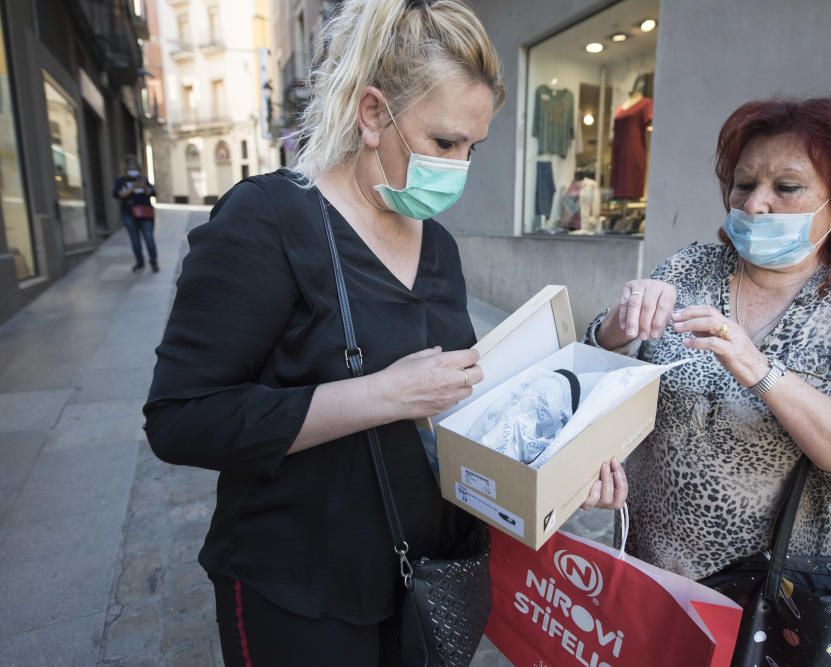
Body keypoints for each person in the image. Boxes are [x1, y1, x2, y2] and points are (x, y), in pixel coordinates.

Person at [143, 1, 625, 665]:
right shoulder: (267, 223)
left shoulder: (441, 250)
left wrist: (558, 460)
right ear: (373, 115)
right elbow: (181, 418)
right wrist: (384, 394)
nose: (459, 167)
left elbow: (453, 414)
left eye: (473, 147)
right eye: (444, 142)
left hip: (425, 580)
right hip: (301, 591)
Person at [588, 97, 831, 581]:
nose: (754, 203)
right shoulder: (691, 269)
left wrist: (764, 373)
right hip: (642, 559)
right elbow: (600, 365)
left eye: (786, 187)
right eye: (743, 185)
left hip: (765, 588)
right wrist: (618, 324)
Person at [112, 155, 158, 273]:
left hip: (145, 212)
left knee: (148, 237)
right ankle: (140, 262)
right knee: (135, 239)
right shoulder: (121, 181)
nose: (132, 169)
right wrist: (132, 188)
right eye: (130, 167)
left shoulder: (143, 179)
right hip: (129, 213)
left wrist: (144, 187)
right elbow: (118, 195)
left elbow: (153, 193)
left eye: (134, 167)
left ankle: (153, 261)